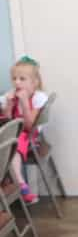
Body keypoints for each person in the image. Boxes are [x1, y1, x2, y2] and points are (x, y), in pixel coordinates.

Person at [0, 56, 48, 204]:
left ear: (34, 83)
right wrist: (8, 105)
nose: (17, 82)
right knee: (7, 141)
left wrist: (24, 103)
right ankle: (9, 181)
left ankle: (21, 185)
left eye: (22, 79)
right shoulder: (10, 94)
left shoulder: (38, 97)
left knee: (10, 144)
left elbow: (28, 126)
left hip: (28, 135)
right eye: (14, 79)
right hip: (13, 132)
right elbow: (7, 120)